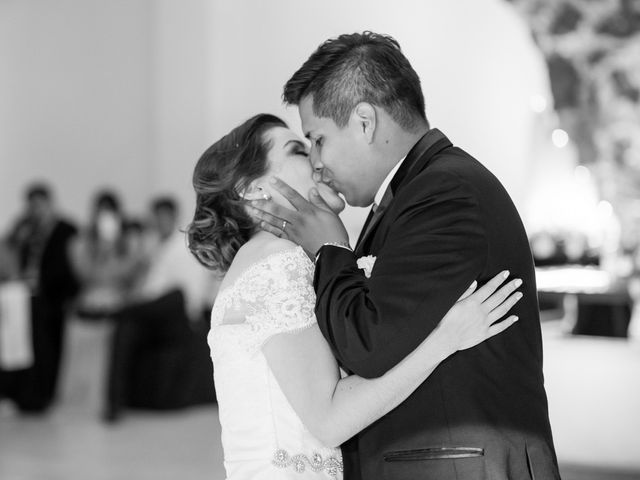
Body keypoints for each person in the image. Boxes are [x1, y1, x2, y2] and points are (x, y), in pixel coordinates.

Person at [250, 32, 560, 479]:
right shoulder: (423, 190)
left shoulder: (445, 193)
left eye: (317, 139)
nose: (317, 162)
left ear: (364, 122)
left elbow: (367, 346)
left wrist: (331, 248)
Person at [187, 113, 522, 479]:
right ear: (253, 189)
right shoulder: (275, 262)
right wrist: (446, 337)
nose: (318, 161)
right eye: (300, 150)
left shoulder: (269, 259)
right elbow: (329, 420)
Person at [3, 183, 79, 412]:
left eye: (39, 204)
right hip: (25, 295)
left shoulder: (66, 229)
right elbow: (9, 251)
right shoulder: (26, 230)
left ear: (49, 203)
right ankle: (15, 391)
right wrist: (19, 233)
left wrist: (40, 282)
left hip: (53, 296)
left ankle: (40, 394)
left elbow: (68, 269)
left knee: (38, 329)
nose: (35, 210)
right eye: (31, 205)